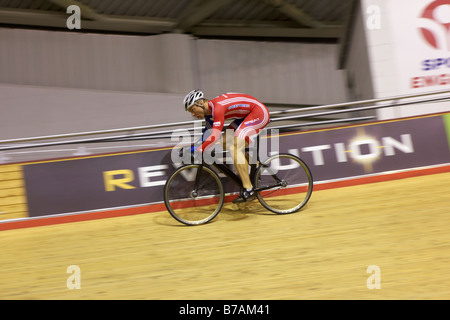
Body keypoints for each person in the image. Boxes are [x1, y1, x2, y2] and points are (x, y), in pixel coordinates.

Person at [183, 89, 270, 203]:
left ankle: (249, 189)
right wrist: (192, 149)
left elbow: (214, 136)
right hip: (246, 116)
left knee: (234, 147)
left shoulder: (217, 108)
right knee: (225, 142)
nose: (193, 114)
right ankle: (256, 166)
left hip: (258, 113)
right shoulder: (209, 114)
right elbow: (207, 135)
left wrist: (200, 149)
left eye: (193, 110)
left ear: (200, 104)